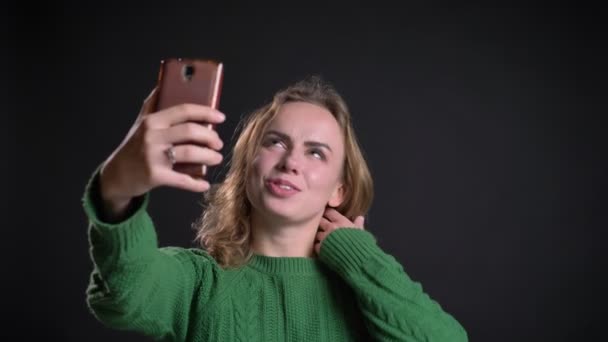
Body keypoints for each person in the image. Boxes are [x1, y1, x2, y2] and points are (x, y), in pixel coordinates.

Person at [82, 76, 468, 341]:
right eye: (276, 143)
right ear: (249, 164)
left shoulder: (363, 293)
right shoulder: (197, 281)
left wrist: (361, 257)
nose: (291, 162)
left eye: (315, 152)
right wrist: (117, 188)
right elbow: (123, 294)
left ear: (339, 189)